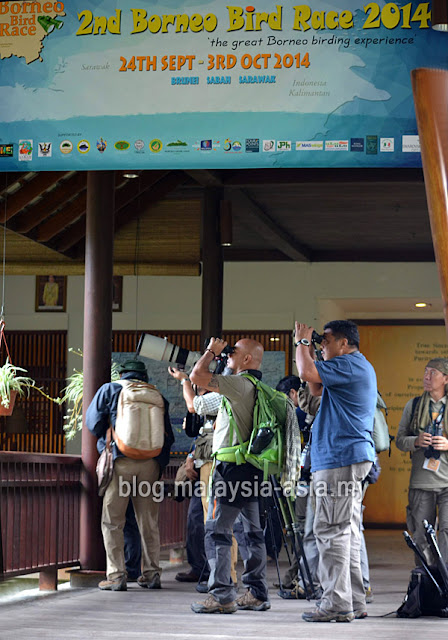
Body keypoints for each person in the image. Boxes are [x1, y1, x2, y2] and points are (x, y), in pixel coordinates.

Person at [294, 320, 376, 622]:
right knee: (347, 532)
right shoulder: (352, 366)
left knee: (330, 531)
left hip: (339, 459)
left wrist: (302, 343)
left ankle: (336, 604)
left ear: (343, 343)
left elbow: (306, 373)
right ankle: (353, 601)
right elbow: (314, 386)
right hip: (348, 458)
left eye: (325, 342)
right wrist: (311, 348)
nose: (321, 346)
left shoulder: (349, 365)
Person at [190, 338, 270, 614]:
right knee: (252, 534)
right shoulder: (257, 387)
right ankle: (257, 593)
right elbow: (201, 403)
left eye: (234, 352)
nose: (229, 355)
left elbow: (197, 377)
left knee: (217, 533)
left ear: (248, 360)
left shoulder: (239, 384)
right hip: (251, 469)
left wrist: (212, 351)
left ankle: (222, 596)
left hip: (230, 471)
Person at [86, 359, 174, 591]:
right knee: (148, 522)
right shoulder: (157, 396)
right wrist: (156, 463)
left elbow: (92, 423)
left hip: (121, 461)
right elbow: (168, 436)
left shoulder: (111, 389)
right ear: (144, 377)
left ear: (123, 373)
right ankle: (152, 573)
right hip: (150, 465)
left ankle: (116, 576)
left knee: (113, 521)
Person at [396, 358, 448, 565]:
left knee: (446, 534)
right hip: (421, 483)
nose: (427, 377)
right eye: (425, 372)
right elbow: (400, 441)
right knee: (421, 536)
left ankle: (445, 585)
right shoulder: (414, 405)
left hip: (447, 484)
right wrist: (416, 441)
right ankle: (426, 582)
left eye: (433, 373)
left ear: (445, 378)